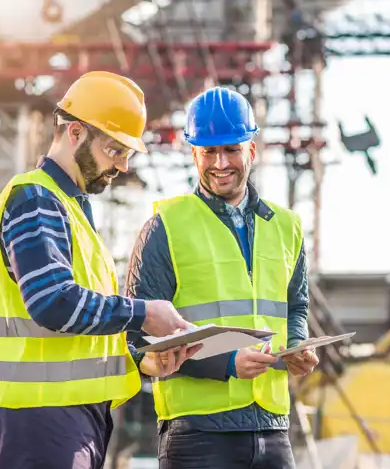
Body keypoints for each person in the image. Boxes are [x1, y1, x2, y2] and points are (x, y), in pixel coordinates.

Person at [0, 71, 200, 469]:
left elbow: (79, 335)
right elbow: (53, 303)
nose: (122, 165)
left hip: (70, 418)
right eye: (114, 150)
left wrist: (141, 361)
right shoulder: (36, 198)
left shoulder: (70, 209)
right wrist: (145, 314)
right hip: (40, 419)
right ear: (75, 132)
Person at [125, 86, 320, 469]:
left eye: (231, 150)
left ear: (252, 150)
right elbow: (139, 340)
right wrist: (227, 362)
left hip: (272, 426)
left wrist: (297, 346)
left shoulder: (288, 226)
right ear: (193, 153)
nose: (220, 163)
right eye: (208, 152)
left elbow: (296, 305)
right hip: (197, 433)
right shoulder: (165, 227)